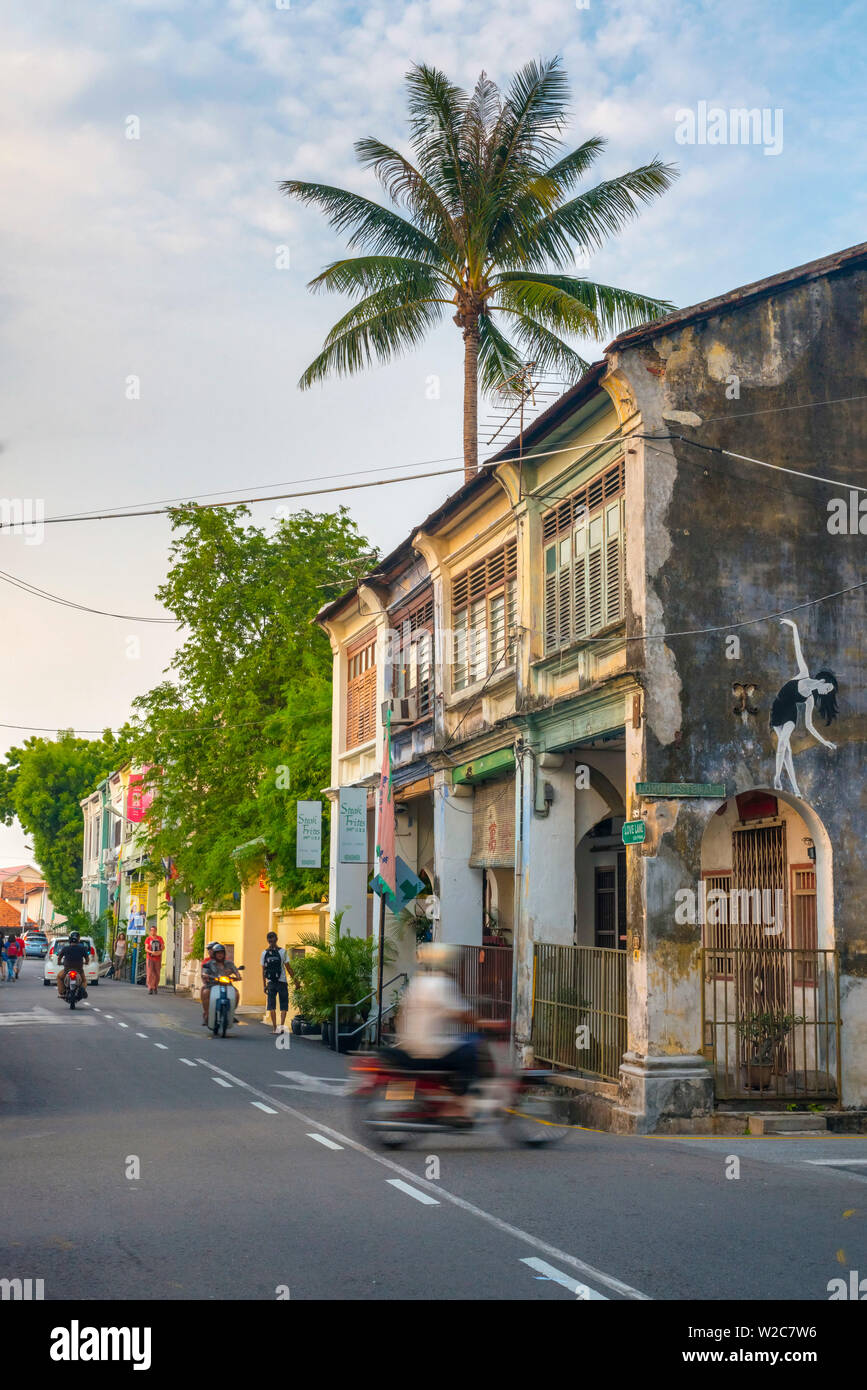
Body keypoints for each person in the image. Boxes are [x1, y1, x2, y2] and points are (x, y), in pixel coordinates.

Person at [393, 943, 479, 1115]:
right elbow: (465, 1016)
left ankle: (446, 1092)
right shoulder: (443, 984)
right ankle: (458, 1103)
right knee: (470, 1050)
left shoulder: (418, 982)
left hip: (410, 1044)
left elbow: (400, 1014)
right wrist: (488, 1022)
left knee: (459, 1045)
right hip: (430, 1048)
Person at [771, 618, 839, 797]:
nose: (826, 692)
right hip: (777, 708)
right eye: (828, 688)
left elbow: (809, 726)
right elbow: (797, 649)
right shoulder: (804, 673)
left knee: (784, 742)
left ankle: (777, 778)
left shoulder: (809, 699)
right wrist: (794, 626)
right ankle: (795, 789)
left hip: (790, 713)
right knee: (787, 750)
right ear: (824, 681)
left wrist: (825, 742)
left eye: (829, 692)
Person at [200, 942, 241, 1026]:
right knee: (205, 993)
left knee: (236, 994)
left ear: (224, 954)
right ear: (214, 954)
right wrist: (205, 976)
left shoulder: (229, 963)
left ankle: (231, 1013)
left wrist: (238, 976)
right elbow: (204, 972)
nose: (220, 955)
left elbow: (236, 971)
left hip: (227, 985)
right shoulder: (209, 963)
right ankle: (207, 1014)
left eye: (221, 953)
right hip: (212, 984)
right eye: (218, 953)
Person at [261, 932, 291, 1034]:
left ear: (267, 940)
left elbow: (263, 971)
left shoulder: (264, 953)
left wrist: (264, 985)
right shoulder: (283, 952)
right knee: (283, 1005)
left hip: (271, 982)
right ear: (277, 939)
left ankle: (274, 1028)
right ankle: (281, 1027)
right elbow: (288, 968)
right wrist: (296, 981)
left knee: (272, 1006)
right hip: (282, 981)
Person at [56, 930, 90, 1000]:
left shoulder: (65, 948)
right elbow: (87, 958)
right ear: (78, 940)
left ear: (70, 939)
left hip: (67, 970)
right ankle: (82, 990)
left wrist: (59, 962)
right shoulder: (82, 948)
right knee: (84, 980)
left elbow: (59, 957)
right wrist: (86, 962)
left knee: (59, 977)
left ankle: (62, 992)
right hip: (79, 970)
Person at [144, 926, 165, 995]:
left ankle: (155, 986)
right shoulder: (148, 939)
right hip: (150, 958)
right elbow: (146, 948)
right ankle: (150, 987)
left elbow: (163, 946)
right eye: (152, 930)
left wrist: (160, 951)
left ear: (156, 931)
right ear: (150, 931)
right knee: (150, 973)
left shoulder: (160, 938)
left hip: (158, 958)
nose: (153, 932)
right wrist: (151, 952)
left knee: (157, 974)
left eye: (154, 930)